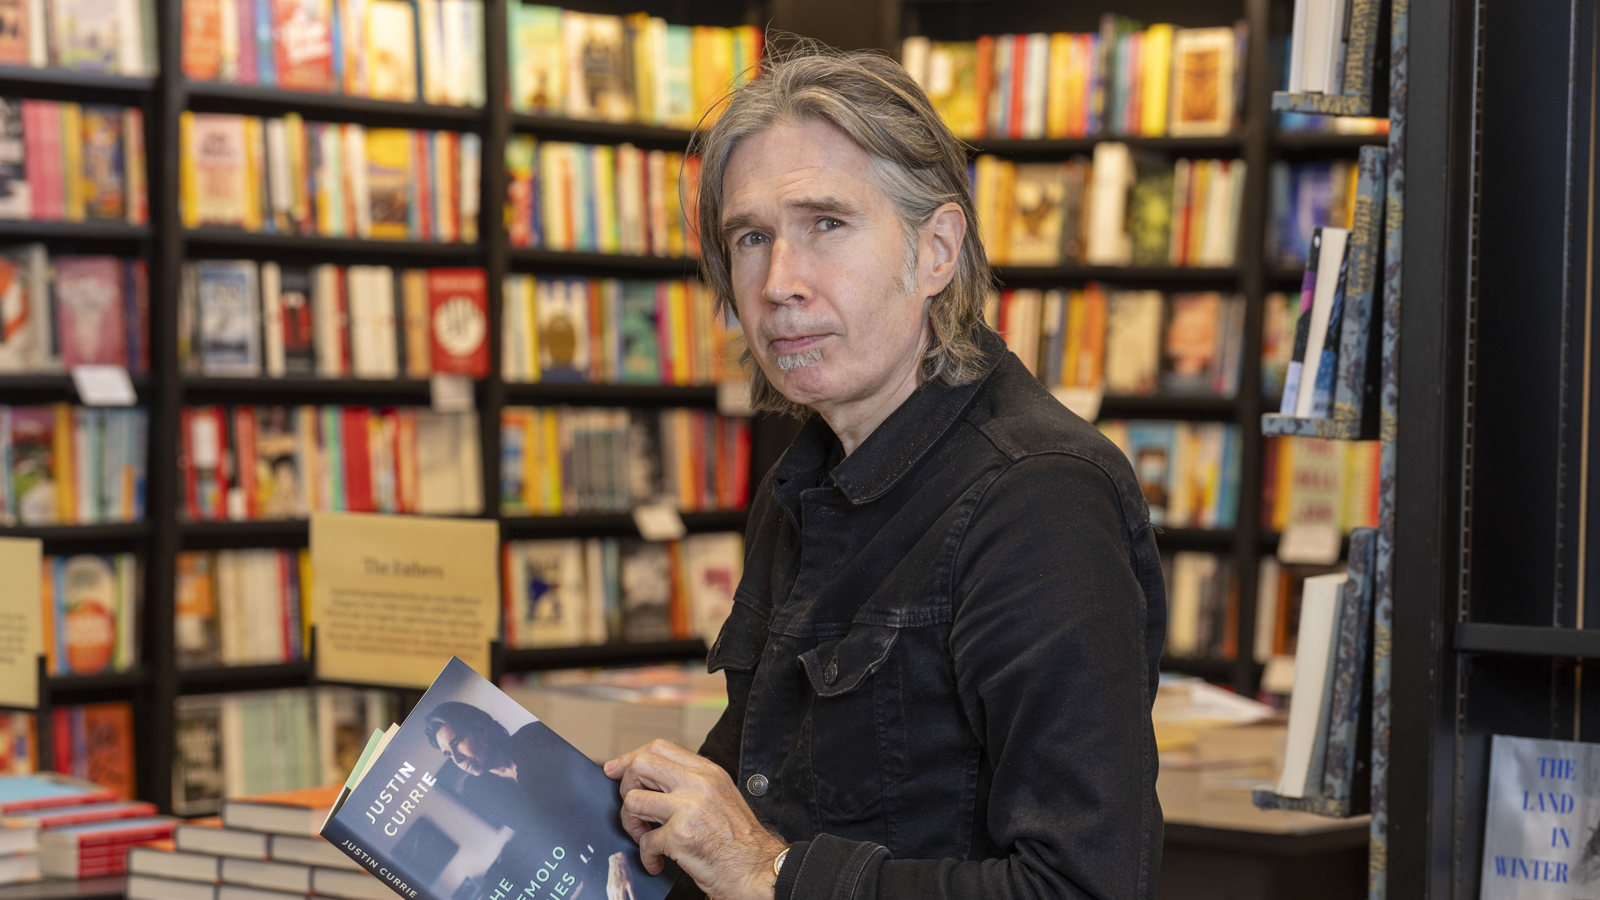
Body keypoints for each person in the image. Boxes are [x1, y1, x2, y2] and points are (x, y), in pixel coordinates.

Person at [603, 38, 1167, 900]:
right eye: (751, 237)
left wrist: (769, 872)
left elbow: (1083, 887)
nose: (779, 282)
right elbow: (771, 797)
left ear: (935, 250)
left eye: (826, 224)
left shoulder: (1040, 498)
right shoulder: (807, 482)